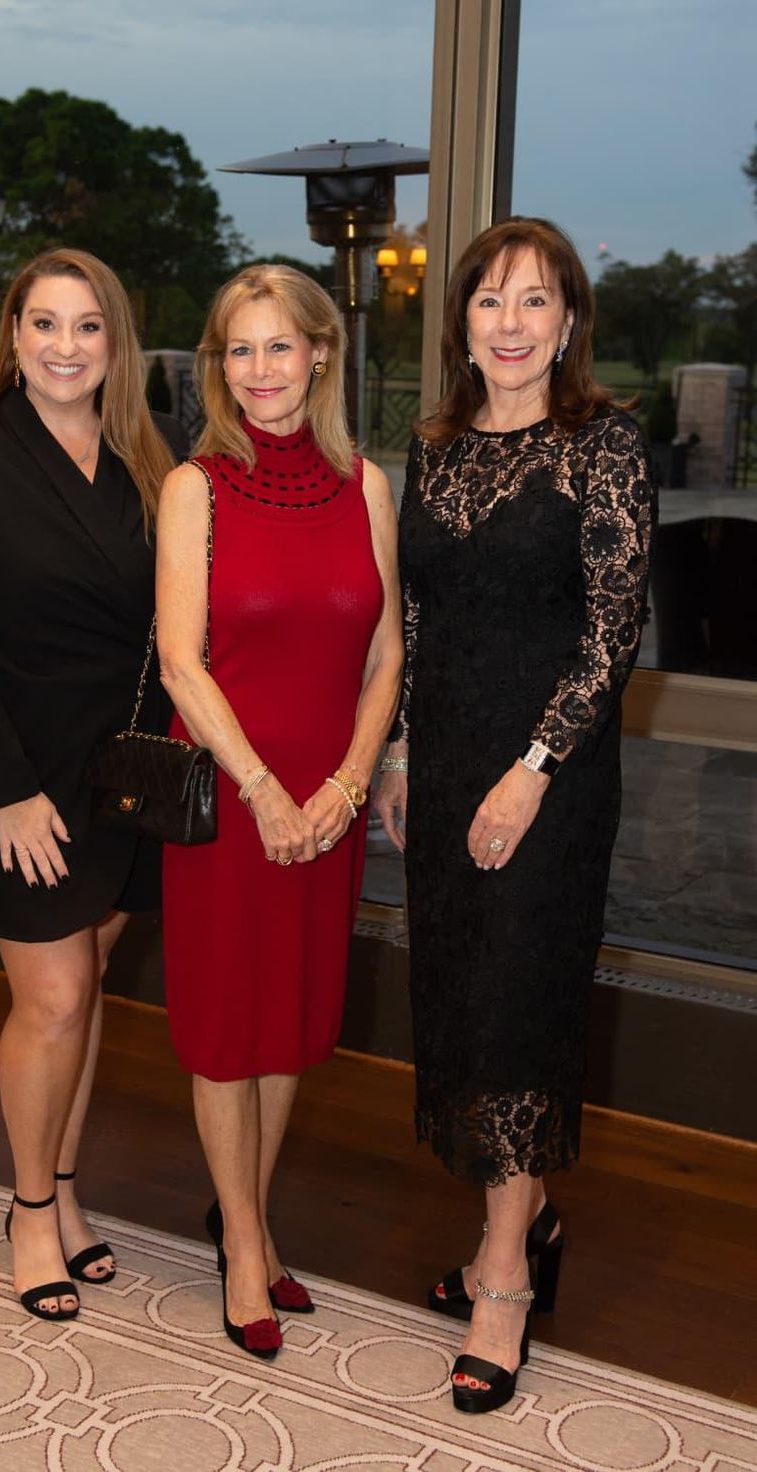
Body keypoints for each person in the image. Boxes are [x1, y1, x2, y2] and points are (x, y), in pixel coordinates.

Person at [374, 218, 654, 1414]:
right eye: (488, 301)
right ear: (461, 323)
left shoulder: (603, 444)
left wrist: (532, 765)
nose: (508, 323)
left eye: (533, 301)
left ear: (568, 321)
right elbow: (418, 618)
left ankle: (501, 1280)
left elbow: (611, 631)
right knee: (455, 991)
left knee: (516, 1004)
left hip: (549, 775)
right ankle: (519, 1220)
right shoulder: (431, 449)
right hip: (438, 768)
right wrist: (393, 750)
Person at [0, 247, 187, 1322]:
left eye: (88, 327)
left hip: (117, 770)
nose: (66, 346)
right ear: (11, 337)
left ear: (116, 345)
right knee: (53, 993)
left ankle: (65, 1190)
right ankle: (27, 1208)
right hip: (13, 770)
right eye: (44, 323)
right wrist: (7, 790)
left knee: (90, 980)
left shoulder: (148, 464)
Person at [156, 264, 403, 1359]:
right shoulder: (194, 487)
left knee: (293, 1022)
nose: (258, 371)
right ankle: (246, 1240)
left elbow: (388, 651)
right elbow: (178, 659)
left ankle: (240, 1217)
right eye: (236, 350)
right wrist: (262, 788)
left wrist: (346, 785)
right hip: (229, 787)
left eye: (276, 346)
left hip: (327, 794)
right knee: (224, 1026)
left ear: (318, 352)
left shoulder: (368, 488)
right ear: (221, 366)